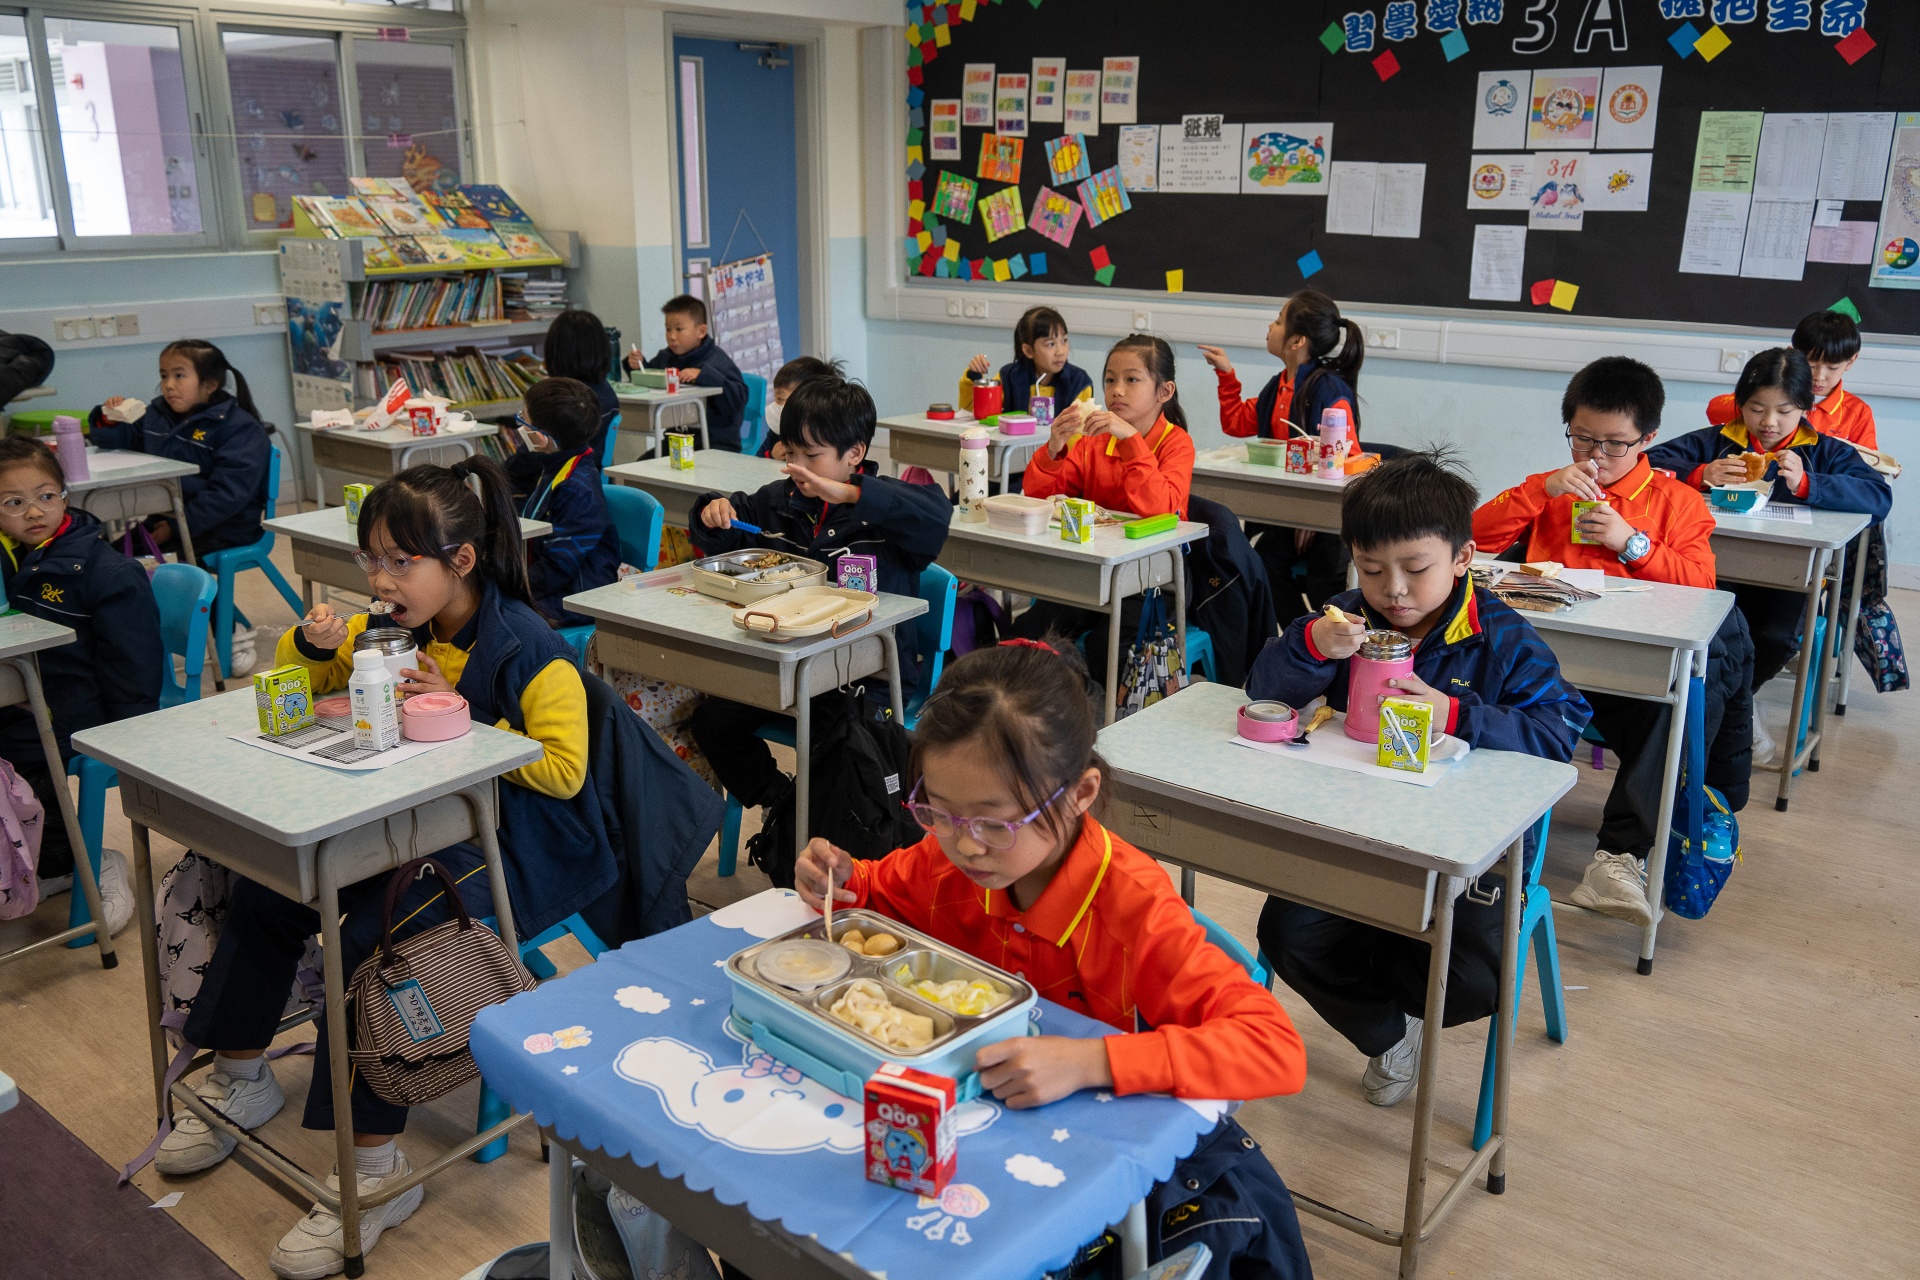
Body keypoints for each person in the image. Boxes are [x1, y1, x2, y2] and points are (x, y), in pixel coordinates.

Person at [159, 458, 611, 1279]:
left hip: (514, 847)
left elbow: (565, 770)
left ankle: (375, 1170)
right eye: (371, 558)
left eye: (401, 561)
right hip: (405, 826)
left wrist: (461, 716)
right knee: (270, 890)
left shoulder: (529, 647)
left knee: (376, 940)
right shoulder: (395, 628)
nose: (380, 579)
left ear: (460, 560)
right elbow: (307, 685)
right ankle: (241, 1074)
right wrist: (311, 644)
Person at [795, 640, 1312, 1279]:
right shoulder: (948, 860)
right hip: (981, 1134)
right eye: (938, 813)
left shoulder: (1134, 910)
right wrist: (840, 878)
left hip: (1081, 1170)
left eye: (994, 823)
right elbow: (878, 889)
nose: (965, 845)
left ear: (1080, 793)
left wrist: (1090, 1061)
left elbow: (1274, 1048)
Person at [1250, 452, 1589, 1104]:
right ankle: (1387, 1033)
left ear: (1463, 558)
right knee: (1287, 936)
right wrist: (1312, 646)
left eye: (1415, 568)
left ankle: (1390, 991)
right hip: (1352, 828)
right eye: (1372, 569)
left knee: (1474, 983)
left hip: (1470, 852)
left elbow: (1556, 736)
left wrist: (1456, 714)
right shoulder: (1344, 618)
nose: (1394, 591)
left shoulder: (1502, 639)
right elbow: (1263, 692)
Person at [1473, 356, 1753, 926]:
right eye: (1582, 439)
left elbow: (1703, 591)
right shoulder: (1552, 489)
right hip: (1545, 666)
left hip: (1629, 674)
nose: (1596, 456)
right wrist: (1540, 489)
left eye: (1614, 444)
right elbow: (1470, 540)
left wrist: (1633, 544)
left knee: (1670, 716)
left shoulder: (1677, 502)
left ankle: (1619, 858)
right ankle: (1482, 836)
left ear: (1647, 438)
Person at [686, 373, 949, 856]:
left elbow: (936, 518)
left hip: (862, 677)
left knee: (845, 753)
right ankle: (781, 800)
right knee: (711, 721)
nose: (798, 468)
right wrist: (712, 512)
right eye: (790, 454)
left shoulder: (887, 510)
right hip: (787, 665)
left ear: (854, 454)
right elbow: (729, 524)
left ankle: (847, 837)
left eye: (812, 456)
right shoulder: (779, 501)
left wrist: (849, 494)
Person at [1650, 348, 1891, 697]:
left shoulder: (1825, 451)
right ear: (1739, 405)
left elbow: (1878, 496)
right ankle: (1715, 701)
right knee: (1698, 625)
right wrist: (1701, 472)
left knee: (1774, 637)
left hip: (1789, 577)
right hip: (1716, 565)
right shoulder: (1717, 441)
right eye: (1756, 409)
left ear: (1805, 408)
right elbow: (1647, 462)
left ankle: (1733, 700)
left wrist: (1808, 484)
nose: (1769, 422)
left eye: (1784, 411)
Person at [0, 436, 161, 934]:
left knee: (15, 754)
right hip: (31, 699)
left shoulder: (105, 572)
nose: (33, 512)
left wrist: (124, 739)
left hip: (82, 712)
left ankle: (87, 860)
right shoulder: (10, 558)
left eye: (46, 496)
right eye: (13, 502)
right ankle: (45, 862)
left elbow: (134, 667)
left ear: (65, 495)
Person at [1013, 334, 1196, 668]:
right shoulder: (1094, 441)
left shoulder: (1176, 443)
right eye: (1110, 380)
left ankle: (1099, 700)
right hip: (1095, 571)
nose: (1117, 390)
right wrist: (1054, 447)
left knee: (1106, 647)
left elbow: (1160, 509)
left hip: (1155, 578)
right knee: (1030, 629)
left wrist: (1130, 439)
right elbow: (1039, 498)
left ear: (1164, 391)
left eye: (1132, 380)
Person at [1200, 290, 1368, 625]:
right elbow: (1237, 422)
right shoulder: (1277, 386)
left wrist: (1309, 513)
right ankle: (1302, 632)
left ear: (1297, 341)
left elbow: (1345, 457)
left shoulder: (1329, 389)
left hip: (1327, 518)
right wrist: (1226, 375)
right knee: (1261, 562)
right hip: (1288, 515)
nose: (1270, 326)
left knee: (1324, 578)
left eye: (1278, 321)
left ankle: (1332, 634)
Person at [88, 338, 271, 557]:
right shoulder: (157, 415)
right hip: (168, 518)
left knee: (131, 567)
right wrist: (111, 419)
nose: (168, 385)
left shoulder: (240, 429)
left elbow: (228, 495)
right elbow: (121, 442)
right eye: (164, 375)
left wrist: (175, 527)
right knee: (104, 558)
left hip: (222, 528)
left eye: (179, 376)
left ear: (209, 385)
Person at [507, 376, 622, 627]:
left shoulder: (576, 488)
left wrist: (512, 586)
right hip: (556, 585)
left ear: (541, 439)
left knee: (494, 611)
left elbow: (558, 568)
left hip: (577, 596)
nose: (520, 423)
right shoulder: (558, 466)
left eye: (523, 418)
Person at [1705, 310, 1877, 448]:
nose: (1819, 377)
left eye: (1832, 368)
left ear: (1850, 361)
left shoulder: (1857, 412)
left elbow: (1867, 466)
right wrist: (1759, 410)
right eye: (1811, 365)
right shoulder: (1775, 390)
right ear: (1792, 355)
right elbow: (1715, 409)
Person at [623, 295, 749, 452]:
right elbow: (652, 378)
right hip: (676, 442)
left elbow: (739, 398)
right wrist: (638, 366)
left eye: (679, 329)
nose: (672, 336)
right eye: (668, 329)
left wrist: (703, 375)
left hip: (716, 444)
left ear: (701, 331)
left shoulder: (716, 360)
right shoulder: (667, 357)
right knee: (639, 467)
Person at [957, 305, 1094, 417]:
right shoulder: (1009, 376)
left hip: (1061, 444)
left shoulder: (1079, 382)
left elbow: (1080, 434)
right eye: (1051, 344)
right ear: (1028, 351)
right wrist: (973, 375)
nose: (1061, 352)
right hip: (1014, 444)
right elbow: (974, 412)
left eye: (1064, 341)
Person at [541, 309, 621, 468]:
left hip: (562, 478)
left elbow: (532, 459)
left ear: (557, 353)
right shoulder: (606, 392)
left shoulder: (568, 403)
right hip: (591, 475)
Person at [757, 355, 843, 461]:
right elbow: (757, 460)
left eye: (780, 399)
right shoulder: (777, 431)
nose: (774, 405)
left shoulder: (824, 437)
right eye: (775, 398)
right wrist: (771, 455)